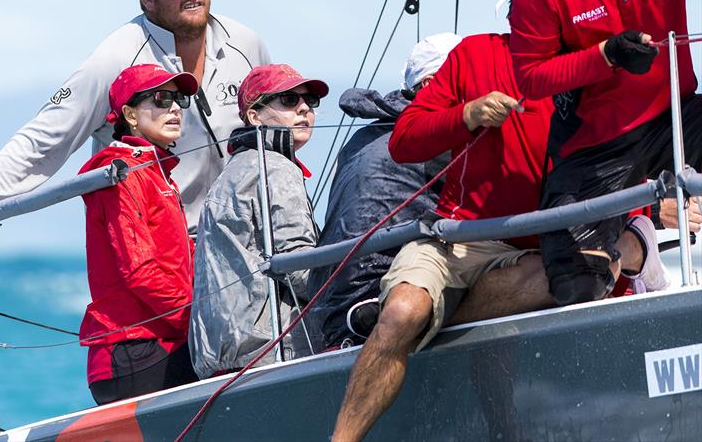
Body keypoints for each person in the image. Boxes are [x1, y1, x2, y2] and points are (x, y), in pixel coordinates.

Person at [331, 0, 682, 441]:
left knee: (574, 275)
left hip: (545, 253)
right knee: (400, 313)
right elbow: (404, 141)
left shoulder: (610, 72)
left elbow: (629, 166)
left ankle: (442, 318)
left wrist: (648, 219)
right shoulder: (473, 55)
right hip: (463, 241)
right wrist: (466, 115)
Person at [0, 0, 269, 240]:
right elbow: (43, 139)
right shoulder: (113, 58)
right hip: (162, 251)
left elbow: (276, 127)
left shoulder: (246, 43)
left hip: (244, 244)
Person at [509, 0, 702, 305]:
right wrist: (605, 55)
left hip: (676, 119)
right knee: (574, 284)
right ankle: (633, 249)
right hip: (596, 146)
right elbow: (529, 76)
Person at [307, 33, 462, 349]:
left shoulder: (365, 135)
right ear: (432, 85)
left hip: (330, 309)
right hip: (378, 301)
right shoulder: (435, 138)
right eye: (471, 78)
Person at [189, 64, 328, 379]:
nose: (304, 108)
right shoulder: (274, 166)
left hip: (225, 357)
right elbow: (299, 267)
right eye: (289, 100)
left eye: (310, 101)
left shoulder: (235, 170)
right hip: (272, 354)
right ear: (254, 116)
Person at [77, 64, 199, 405]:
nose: (174, 108)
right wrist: (194, 318)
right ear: (129, 113)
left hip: (160, 340)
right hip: (135, 348)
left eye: (178, 99)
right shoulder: (121, 173)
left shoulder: (155, 170)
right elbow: (139, 270)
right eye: (160, 99)